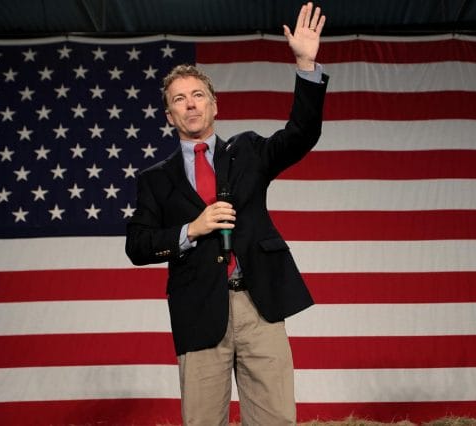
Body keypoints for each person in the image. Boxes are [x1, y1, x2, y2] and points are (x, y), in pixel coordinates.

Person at [125, 3, 327, 424]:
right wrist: (190, 230)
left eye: (198, 95)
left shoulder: (249, 151)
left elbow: (301, 134)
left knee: (275, 420)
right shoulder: (155, 179)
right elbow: (138, 246)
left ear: (214, 105)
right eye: (179, 99)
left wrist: (306, 65)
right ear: (169, 116)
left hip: (259, 306)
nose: (191, 105)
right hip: (198, 312)